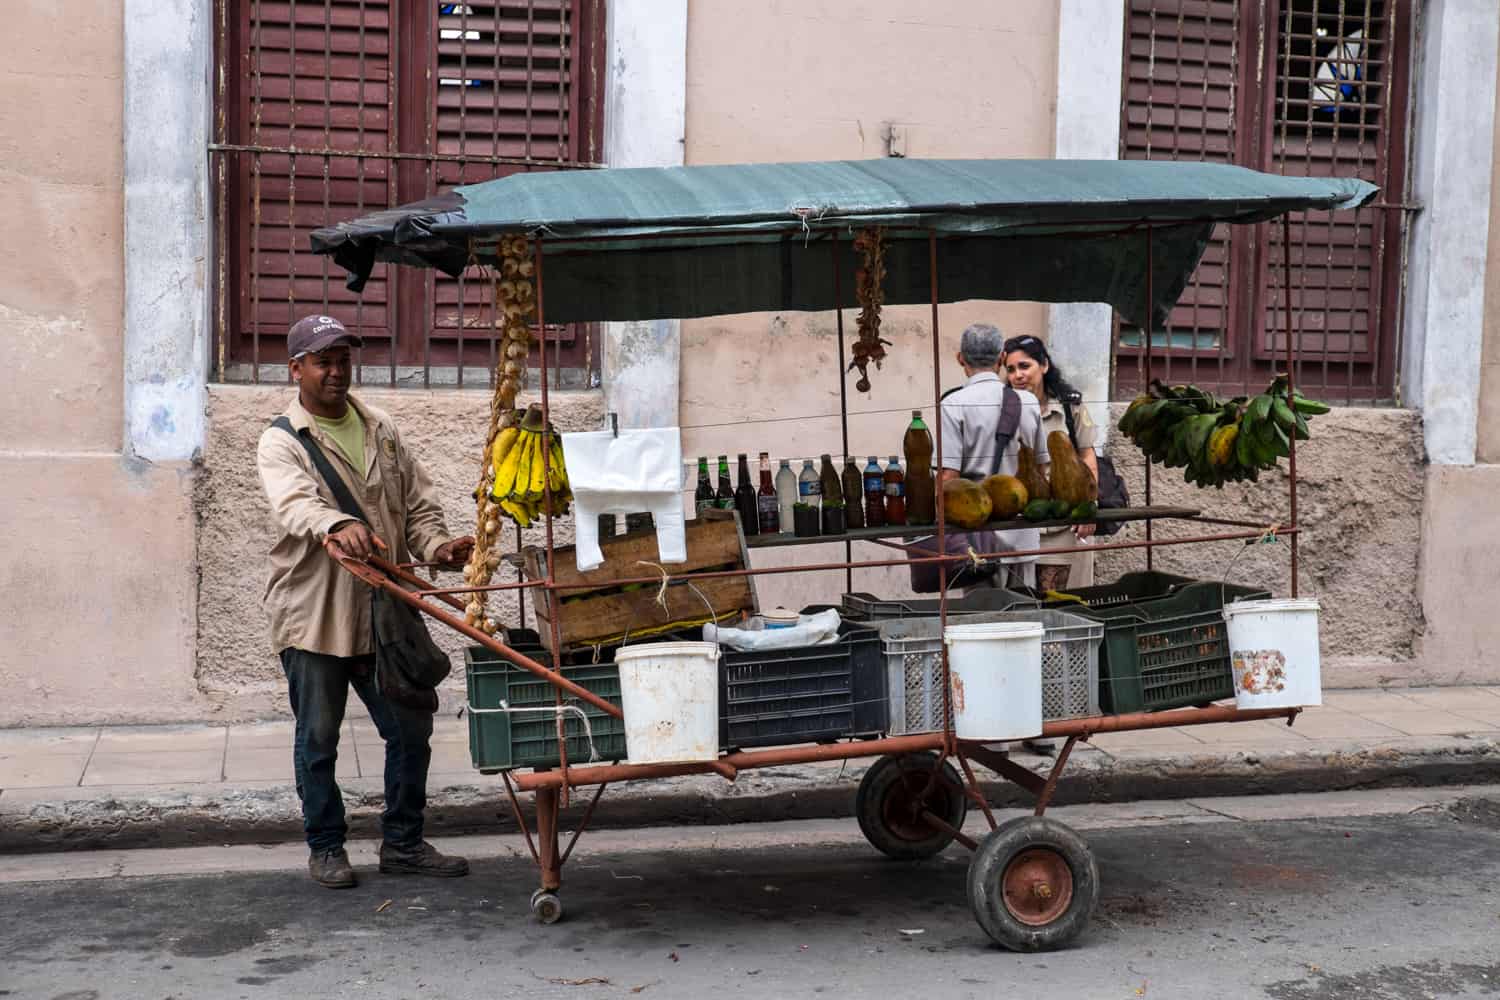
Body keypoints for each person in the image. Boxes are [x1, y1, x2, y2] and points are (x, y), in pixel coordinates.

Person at [257, 314, 475, 889]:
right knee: (319, 738)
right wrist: (335, 522)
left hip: (385, 614)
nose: (335, 371)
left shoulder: (380, 428)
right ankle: (326, 846)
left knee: (410, 729)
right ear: (296, 369)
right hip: (316, 615)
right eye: (323, 361)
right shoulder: (282, 440)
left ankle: (403, 842)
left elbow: (419, 506)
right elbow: (295, 504)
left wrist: (440, 547)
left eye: (343, 359)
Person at [938, 323, 1048, 591]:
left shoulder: (953, 405)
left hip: (977, 542)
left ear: (960, 358)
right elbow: (1042, 470)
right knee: (1023, 619)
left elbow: (948, 478)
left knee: (982, 622)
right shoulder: (1028, 402)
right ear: (1001, 358)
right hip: (1022, 536)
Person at [1003, 334, 1099, 592]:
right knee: (1023, 605)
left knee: (1063, 604)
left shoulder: (1070, 408)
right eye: (1010, 369)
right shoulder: (1003, 411)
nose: (1017, 375)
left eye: (1025, 366)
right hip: (1020, 525)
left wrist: (1090, 507)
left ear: (1044, 365)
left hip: (1065, 525)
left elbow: (1087, 457)